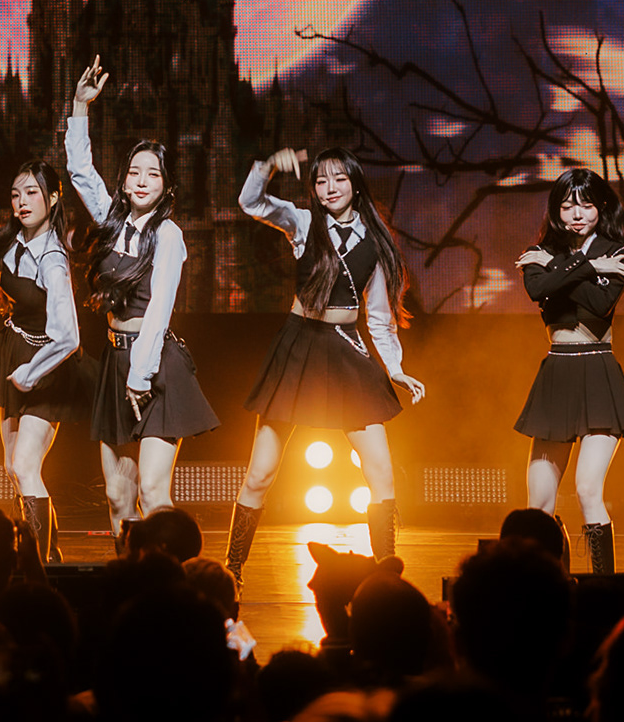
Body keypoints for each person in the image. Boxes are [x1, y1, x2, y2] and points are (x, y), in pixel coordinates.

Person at [228, 144, 426, 581]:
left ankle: (386, 576)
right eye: (320, 181)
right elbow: (251, 202)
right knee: (260, 473)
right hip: (299, 346)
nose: (330, 188)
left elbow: (380, 319)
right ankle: (233, 569)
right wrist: (267, 166)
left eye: (339, 178)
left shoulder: (376, 241)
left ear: (355, 183)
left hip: (345, 350)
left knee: (381, 472)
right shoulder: (302, 222)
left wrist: (394, 368)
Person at [65, 56, 219, 553]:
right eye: (134, 171)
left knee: (153, 493)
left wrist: (140, 375)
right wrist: (80, 108)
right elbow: (79, 171)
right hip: (116, 363)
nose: (141, 180)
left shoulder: (168, 235)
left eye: (152, 174)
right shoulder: (112, 222)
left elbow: (160, 311)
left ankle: (172, 586)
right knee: (118, 496)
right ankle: (129, 584)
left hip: (154, 367)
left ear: (166, 185)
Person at [513, 168, 624, 574]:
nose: (576, 215)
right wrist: (587, 266)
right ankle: (548, 585)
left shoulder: (618, 252)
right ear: (556, 210)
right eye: (567, 206)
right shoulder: (540, 252)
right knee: (537, 505)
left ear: (600, 207)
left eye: (586, 205)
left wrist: (560, 268)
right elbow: (537, 290)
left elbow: (600, 304)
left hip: (598, 372)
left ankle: (604, 589)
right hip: (557, 373)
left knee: (587, 488)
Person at [0, 160, 82, 561]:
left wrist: (32, 372)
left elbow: (69, 336)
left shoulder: (53, 259)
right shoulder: (3, 247)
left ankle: (38, 568)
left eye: (32, 193)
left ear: (53, 198)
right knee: (13, 467)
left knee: (25, 464)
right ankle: (49, 553)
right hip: (13, 352)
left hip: (47, 365)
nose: (22, 202)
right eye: (16, 194)